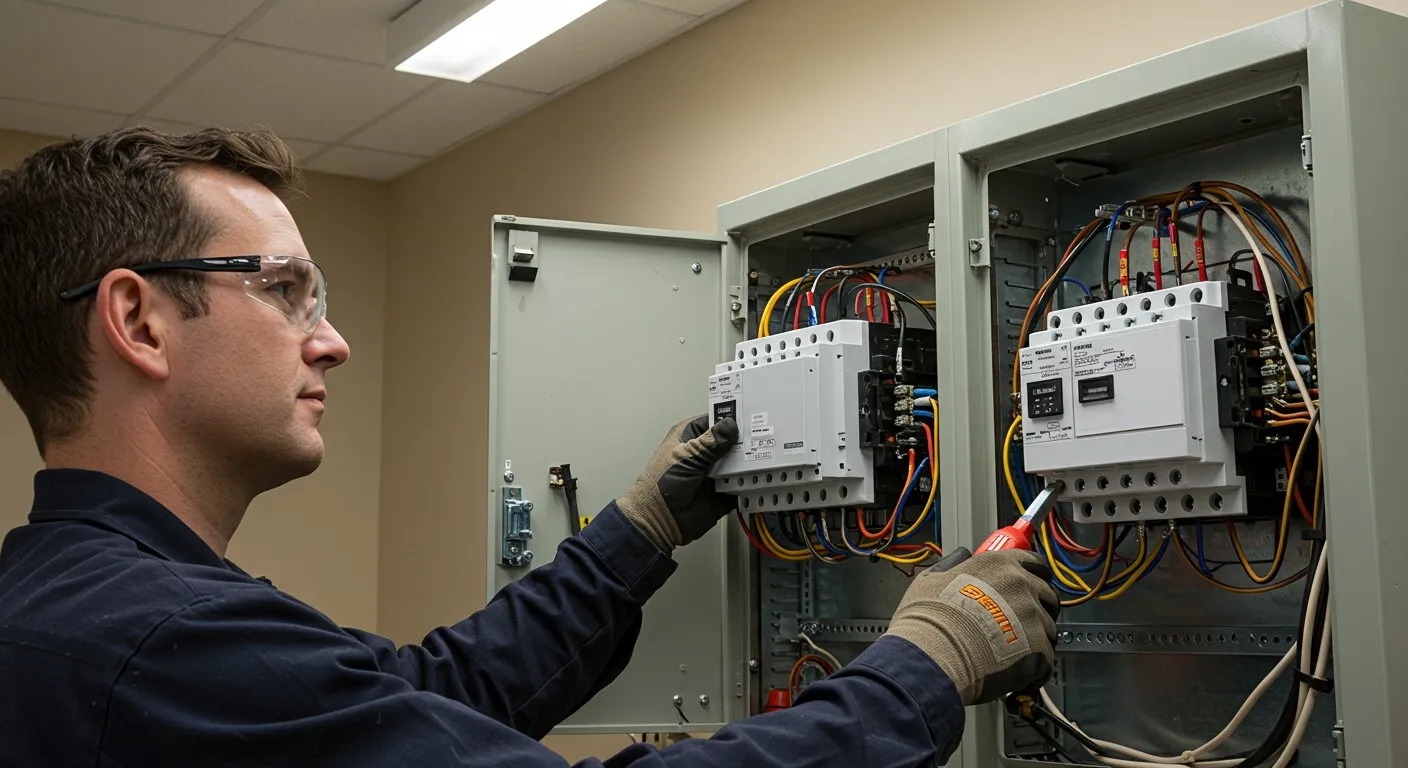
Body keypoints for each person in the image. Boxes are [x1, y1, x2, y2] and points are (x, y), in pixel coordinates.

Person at [0, 127, 1058, 767]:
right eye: (284, 290)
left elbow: (429, 697)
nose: (331, 340)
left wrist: (635, 533)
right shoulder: (163, 642)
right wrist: (925, 666)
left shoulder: (79, 605)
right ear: (138, 322)